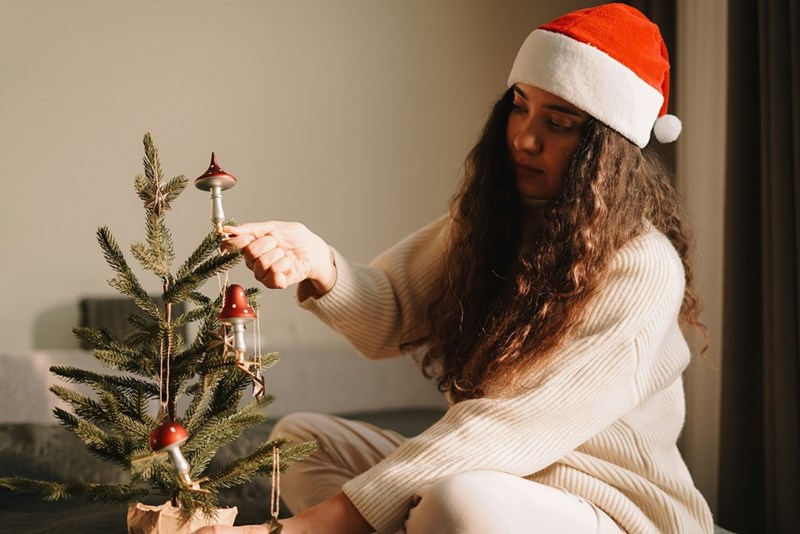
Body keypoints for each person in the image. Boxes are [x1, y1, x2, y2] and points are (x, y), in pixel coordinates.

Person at [196, 3, 714, 533]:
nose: (525, 138)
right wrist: (319, 263)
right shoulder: (491, 223)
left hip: (607, 507)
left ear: (608, 151)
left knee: (457, 503)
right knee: (298, 441)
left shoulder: (642, 266)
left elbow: (508, 427)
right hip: (489, 476)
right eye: (520, 106)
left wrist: (311, 524)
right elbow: (392, 310)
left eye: (558, 124)